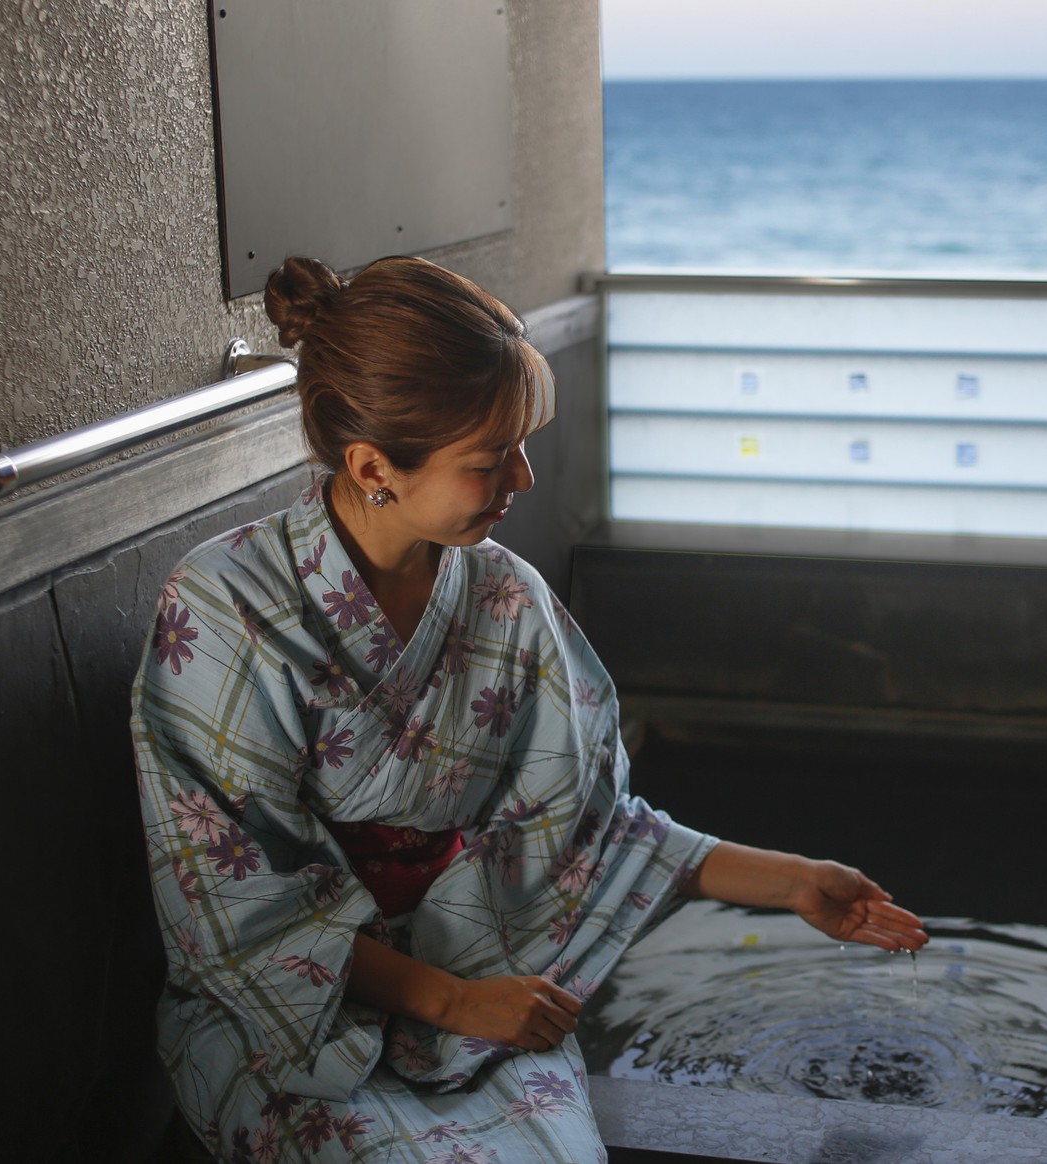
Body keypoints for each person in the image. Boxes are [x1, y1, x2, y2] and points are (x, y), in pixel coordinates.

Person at [133, 255, 928, 1163]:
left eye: (521, 445)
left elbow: (587, 825)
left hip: (473, 977)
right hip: (286, 1019)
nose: (524, 477)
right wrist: (452, 1003)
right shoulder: (221, 608)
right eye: (490, 459)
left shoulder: (506, 597)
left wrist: (792, 879)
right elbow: (233, 912)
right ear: (372, 464)